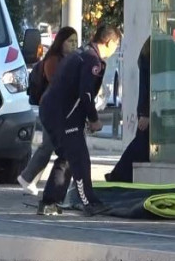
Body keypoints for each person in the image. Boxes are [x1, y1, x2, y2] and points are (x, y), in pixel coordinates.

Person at [36, 24, 122, 216]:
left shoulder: (83, 53)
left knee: (67, 157)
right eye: (116, 44)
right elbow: (86, 93)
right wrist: (94, 119)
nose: (116, 49)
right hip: (63, 116)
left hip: (53, 112)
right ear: (109, 42)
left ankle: (49, 202)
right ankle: (89, 202)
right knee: (80, 159)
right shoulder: (92, 59)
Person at [18, 26, 79, 196]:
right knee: (48, 146)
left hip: (61, 110)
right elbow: (58, 84)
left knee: (49, 145)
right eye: (70, 41)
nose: (74, 45)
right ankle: (27, 177)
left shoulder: (72, 59)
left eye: (75, 41)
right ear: (61, 42)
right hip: (51, 109)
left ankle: (29, 178)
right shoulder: (53, 59)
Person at [105, 37, 151, 183]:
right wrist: (145, 112)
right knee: (142, 144)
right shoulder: (150, 56)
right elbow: (146, 86)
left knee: (142, 143)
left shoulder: (147, 52)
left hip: (149, 108)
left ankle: (119, 174)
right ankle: (118, 175)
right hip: (149, 109)